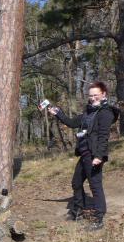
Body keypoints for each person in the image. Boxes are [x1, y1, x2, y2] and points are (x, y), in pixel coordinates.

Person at [45, 81, 119, 230]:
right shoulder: (88, 112)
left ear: (103, 94)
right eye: (90, 95)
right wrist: (58, 113)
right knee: (76, 183)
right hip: (84, 154)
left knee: (95, 186)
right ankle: (78, 211)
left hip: (94, 155)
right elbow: (72, 123)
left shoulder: (105, 113)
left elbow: (104, 137)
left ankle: (98, 219)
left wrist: (99, 156)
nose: (92, 98)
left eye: (95, 95)